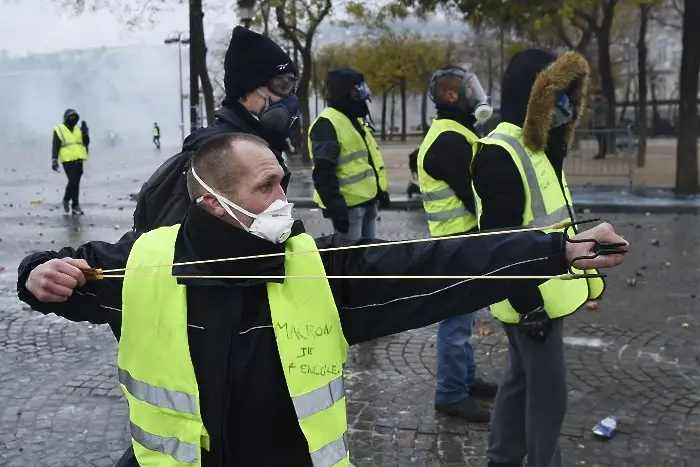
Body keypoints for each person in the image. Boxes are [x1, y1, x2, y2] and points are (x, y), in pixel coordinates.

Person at [18, 132, 628, 467]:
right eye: (269, 186)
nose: (287, 198)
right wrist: (36, 276)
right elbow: (65, 278)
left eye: (284, 179)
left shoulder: (315, 268)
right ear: (214, 203)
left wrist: (555, 252)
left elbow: (429, 267)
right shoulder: (142, 264)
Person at [471, 49, 605, 467]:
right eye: (559, 93)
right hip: (532, 299)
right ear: (536, 96)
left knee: (520, 381)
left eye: (570, 94)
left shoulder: (538, 145)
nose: (566, 104)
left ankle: (503, 457)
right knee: (548, 392)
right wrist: (529, 305)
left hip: (546, 291)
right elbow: (500, 240)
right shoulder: (501, 150)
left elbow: (550, 220)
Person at [132, 25, 300, 233]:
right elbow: (175, 247)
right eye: (281, 85)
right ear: (244, 93)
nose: (289, 98)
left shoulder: (263, 147)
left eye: (291, 86)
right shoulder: (209, 156)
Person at [416, 66, 498, 423]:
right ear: (452, 97)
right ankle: (450, 394)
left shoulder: (455, 132)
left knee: (464, 317)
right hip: (457, 244)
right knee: (456, 322)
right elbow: (474, 194)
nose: (475, 93)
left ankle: (465, 379)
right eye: (469, 88)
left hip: (460, 241)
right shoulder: (450, 139)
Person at [308, 67, 389, 240]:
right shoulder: (327, 123)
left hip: (367, 202)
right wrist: (336, 209)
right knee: (349, 261)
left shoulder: (353, 120)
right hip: (349, 208)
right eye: (356, 89)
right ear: (344, 92)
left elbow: (368, 159)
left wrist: (380, 191)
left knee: (367, 258)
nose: (361, 93)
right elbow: (323, 172)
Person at [52, 108, 89, 215]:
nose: (73, 119)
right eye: (70, 117)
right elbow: (55, 145)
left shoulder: (78, 129)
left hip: (79, 157)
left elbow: (86, 143)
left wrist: (85, 133)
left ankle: (66, 199)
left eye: (74, 117)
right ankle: (75, 205)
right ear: (66, 118)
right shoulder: (59, 129)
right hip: (67, 159)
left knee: (74, 181)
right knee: (73, 181)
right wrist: (54, 160)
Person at [590, 89, 608, 160]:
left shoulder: (603, 102)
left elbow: (594, 107)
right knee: (599, 140)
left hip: (601, 124)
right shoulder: (600, 101)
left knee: (602, 139)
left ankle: (602, 154)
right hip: (598, 123)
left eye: (596, 95)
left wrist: (592, 100)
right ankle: (601, 153)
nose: (595, 96)